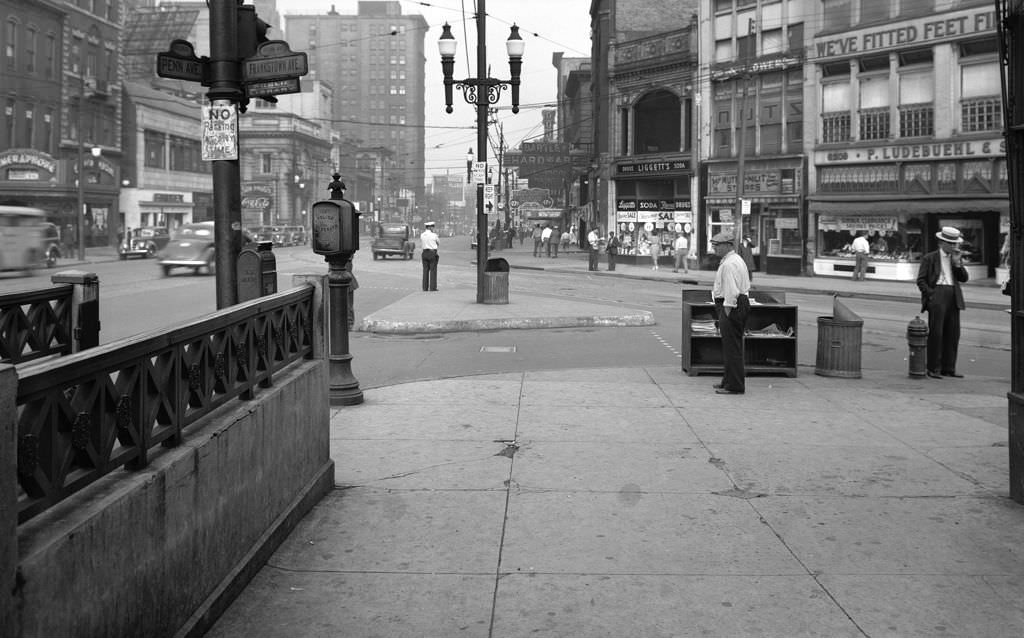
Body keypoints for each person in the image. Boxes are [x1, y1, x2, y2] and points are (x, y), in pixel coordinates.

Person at [916, 226, 969, 379]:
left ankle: (949, 368)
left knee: (953, 334)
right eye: (951, 244)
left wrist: (957, 264)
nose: (954, 247)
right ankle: (933, 368)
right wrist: (931, 295)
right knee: (937, 333)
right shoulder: (930, 258)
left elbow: (964, 278)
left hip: (953, 295)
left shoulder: (955, 258)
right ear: (942, 243)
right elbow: (921, 280)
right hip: (937, 294)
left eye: (955, 244)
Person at [710, 231, 751, 395]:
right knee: (731, 346)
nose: (714, 249)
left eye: (717, 246)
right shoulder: (734, 260)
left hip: (731, 306)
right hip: (737, 304)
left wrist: (726, 311)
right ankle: (728, 380)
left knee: (731, 348)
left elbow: (731, 291)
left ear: (727, 245)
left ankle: (734, 385)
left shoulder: (729, 264)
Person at [420, 221, 440, 292]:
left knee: (425, 271)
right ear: (430, 227)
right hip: (432, 253)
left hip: (424, 253)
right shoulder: (434, 235)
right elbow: (438, 243)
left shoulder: (422, 235)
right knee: (433, 270)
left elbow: (422, 242)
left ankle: (425, 288)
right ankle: (432, 287)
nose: (433, 228)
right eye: (432, 227)